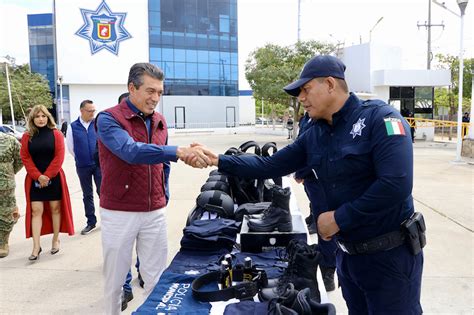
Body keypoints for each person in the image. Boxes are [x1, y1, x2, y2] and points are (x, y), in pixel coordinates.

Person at [197, 55, 423, 314]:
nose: (301, 98)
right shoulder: (315, 133)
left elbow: (396, 185)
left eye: (306, 89)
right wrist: (218, 160)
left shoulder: (381, 119)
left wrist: (338, 218)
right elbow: (269, 166)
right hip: (348, 257)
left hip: (389, 256)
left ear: (329, 84)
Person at [96, 62, 211, 314]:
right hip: (119, 212)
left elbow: (162, 163)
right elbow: (130, 151)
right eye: (150, 91)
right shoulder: (108, 119)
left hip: (154, 212)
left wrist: (163, 191)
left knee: (156, 279)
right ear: (131, 88)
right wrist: (178, 152)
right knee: (114, 282)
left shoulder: (159, 120)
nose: (156, 98)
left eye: (159, 92)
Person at [20, 105, 74, 261]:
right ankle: (36, 246)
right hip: (34, 179)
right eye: (37, 116)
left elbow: (59, 157)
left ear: (48, 117)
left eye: (43, 116)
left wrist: (48, 176)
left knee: (55, 209)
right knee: (36, 211)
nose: (41, 119)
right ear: (32, 119)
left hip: (54, 177)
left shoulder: (56, 134)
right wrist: (38, 176)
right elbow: (26, 158)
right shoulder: (27, 136)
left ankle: (55, 239)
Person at [294, 110, 337, 292]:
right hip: (311, 180)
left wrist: (301, 171)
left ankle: (328, 271)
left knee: (325, 225)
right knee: (317, 215)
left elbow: (317, 151)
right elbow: (301, 145)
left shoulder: (323, 118)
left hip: (320, 179)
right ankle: (325, 260)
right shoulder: (306, 117)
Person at [66, 100, 101, 235]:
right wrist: (81, 157)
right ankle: (91, 222)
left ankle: (108, 220)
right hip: (82, 166)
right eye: (90, 111)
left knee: (103, 192)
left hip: (98, 165)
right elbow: (71, 148)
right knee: (87, 195)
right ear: (82, 111)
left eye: (94, 110)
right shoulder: (72, 127)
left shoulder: (97, 124)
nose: (92, 113)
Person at [0, 132, 23, 258]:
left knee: (5, 213)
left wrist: (9, 172)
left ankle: (3, 243)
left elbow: (20, 158)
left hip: (5, 185)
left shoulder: (9, 139)